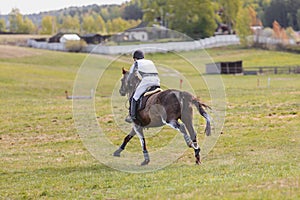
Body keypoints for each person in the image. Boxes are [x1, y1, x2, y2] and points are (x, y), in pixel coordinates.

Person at [125, 50, 160, 122]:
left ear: (135, 58)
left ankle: (132, 116)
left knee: (135, 97)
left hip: (147, 81)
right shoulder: (150, 61)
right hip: (157, 80)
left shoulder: (136, 63)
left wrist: (128, 82)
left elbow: (130, 75)